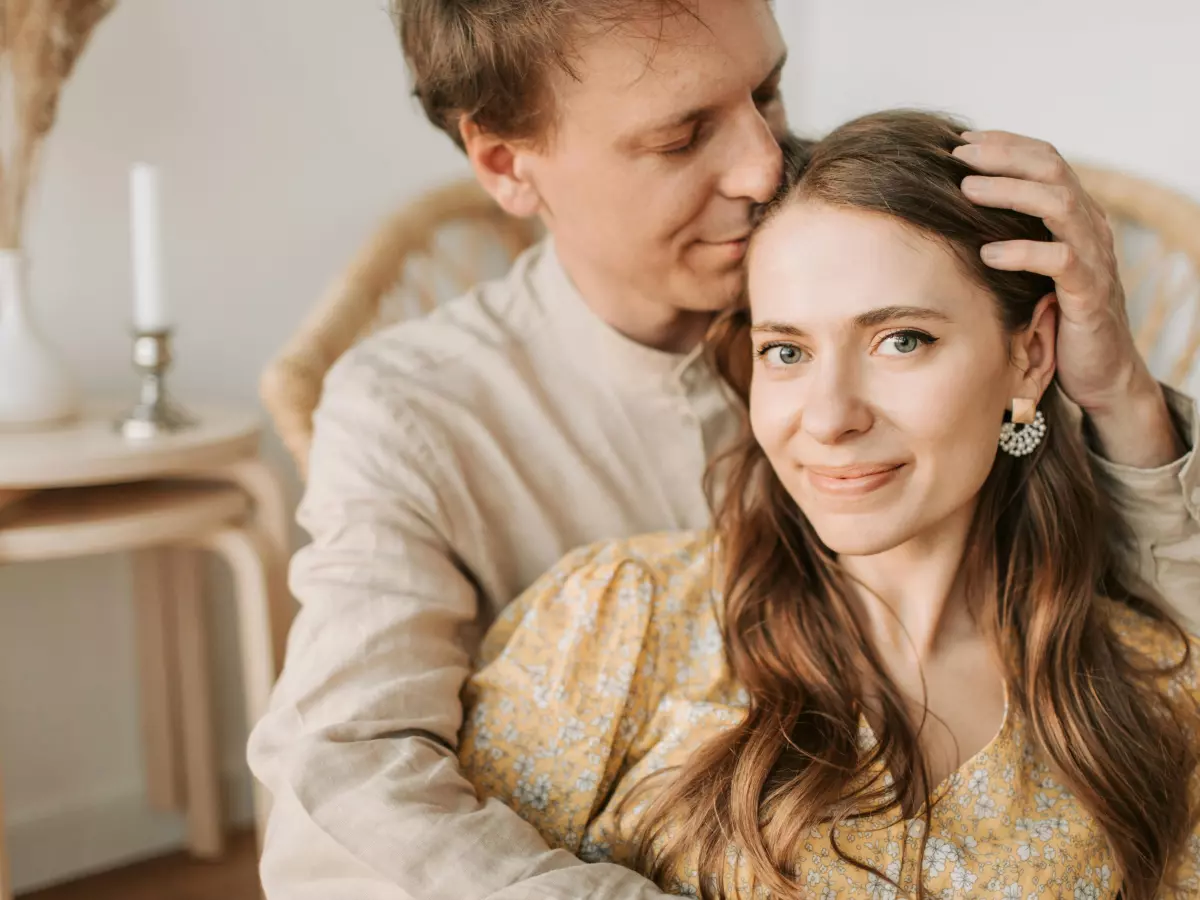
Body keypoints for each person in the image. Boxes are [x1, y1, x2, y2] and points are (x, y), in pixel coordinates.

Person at [247, 2, 1200, 897]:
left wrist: (1119, 394)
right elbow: (343, 781)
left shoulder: (877, 249)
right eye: (681, 135)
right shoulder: (419, 416)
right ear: (505, 165)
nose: (762, 168)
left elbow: (1145, 649)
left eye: (769, 93)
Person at [459, 111, 1200, 900]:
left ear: (1032, 354)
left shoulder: (1152, 693)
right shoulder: (620, 621)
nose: (828, 415)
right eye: (787, 351)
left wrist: (1122, 392)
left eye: (901, 340)